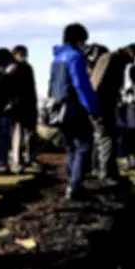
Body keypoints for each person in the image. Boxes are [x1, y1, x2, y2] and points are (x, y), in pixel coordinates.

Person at [48, 22, 102, 200]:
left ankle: (72, 182)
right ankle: (75, 185)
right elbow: (81, 85)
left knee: (71, 147)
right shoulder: (75, 57)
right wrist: (93, 109)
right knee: (84, 146)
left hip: (59, 108)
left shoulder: (57, 58)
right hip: (74, 108)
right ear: (78, 40)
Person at [90, 43, 135, 186]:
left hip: (106, 105)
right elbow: (97, 83)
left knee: (108, 138)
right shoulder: (111, 59)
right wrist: (95, 108)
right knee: (107, 139)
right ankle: (105, 174)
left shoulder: (116, 60)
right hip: (102, 106)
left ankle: (109, 171)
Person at [10, 45, 39, 172]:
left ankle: (30, 158)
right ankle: (18, 159)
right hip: (18, 106)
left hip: (30, 104)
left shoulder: (28, 67)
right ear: (15, 54)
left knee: (31, 133)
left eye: (25, 53)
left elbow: (32, 87)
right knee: (18, 133)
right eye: (21, 53)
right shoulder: (12, 68)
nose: (24, 55)